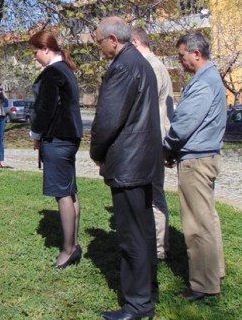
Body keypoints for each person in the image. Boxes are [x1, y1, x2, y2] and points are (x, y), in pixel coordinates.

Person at [90, 17, 163, 320]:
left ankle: (137, 304)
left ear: (112, 39)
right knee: (143, 230)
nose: (98, 47)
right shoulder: (140, 62)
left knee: (132, 235)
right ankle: (147, 291)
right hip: (143, 160)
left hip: (129, 163)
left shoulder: (122, 67)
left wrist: (96, 151)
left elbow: (108, 119)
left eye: (99, 42)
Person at [162, 31, 227, 301]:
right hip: (204, 157)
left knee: (197, 225)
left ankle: (203, 284)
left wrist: (167, 146)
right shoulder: (210, 78)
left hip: (197, 161)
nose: (180, 61)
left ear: (196, 53)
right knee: (208, 219)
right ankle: (215, 272)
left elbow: (184, 123)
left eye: (182, 56)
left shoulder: (203, 83)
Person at [29, 31, 84, 269]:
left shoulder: (53, 73)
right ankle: (73, 243)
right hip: (69, 136)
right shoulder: (66, 70)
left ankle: (69, 249)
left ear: (46, 49)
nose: (34, 57)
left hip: (58, 137)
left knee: (63, 194)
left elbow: (45, 108)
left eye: (35, 52)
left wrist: (35, 133)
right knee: (70, 192)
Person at [131, 26, 174, 262]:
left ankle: (158, 248)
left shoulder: (152, 67)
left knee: (155, 195)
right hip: (154, 138)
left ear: (136, 42)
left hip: (152, 140)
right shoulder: (156, 65)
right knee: (151, 193)